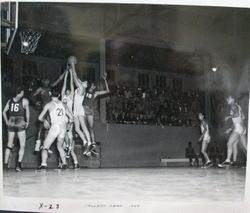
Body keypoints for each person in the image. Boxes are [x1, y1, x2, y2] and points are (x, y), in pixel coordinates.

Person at [38, 89, 73, 170]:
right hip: (63, 127)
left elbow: (40, 118)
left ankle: (43, 165)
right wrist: (69, 125)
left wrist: (45, 121)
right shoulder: (64, 104)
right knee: (60, 147)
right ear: (59, 95)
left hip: (55, 126)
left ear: (50, 94)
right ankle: (64, 164)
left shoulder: (49, 105)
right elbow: (71, 117)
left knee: (45, 147)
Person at [33, 72, 66, 153]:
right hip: (45, 108)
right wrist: (35, 102)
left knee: (50, 127)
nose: (47, 82)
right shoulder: (40, 89)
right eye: (46, 81)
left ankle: (46, 145)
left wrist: (65, 72)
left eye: (48, 81)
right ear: (43, 81)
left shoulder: (51, 88)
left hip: (52, 109)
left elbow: (59, 80)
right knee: (41, 125)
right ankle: (37, 143)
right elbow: (32, 95)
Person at [68, 56, 92, 155]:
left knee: (83, 127)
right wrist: (70, 72)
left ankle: (90, 143)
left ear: (86, 85)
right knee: (77, 129)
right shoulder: (80, 87)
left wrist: (73, 65)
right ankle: (85, 142)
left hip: (80, 110)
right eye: (85, 81)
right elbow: (76, 78)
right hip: (75, 110)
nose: (85, 82)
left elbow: (75, 77)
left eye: (86, 82)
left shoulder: (82, 88)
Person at [3, 87, 30, 171]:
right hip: (20, 120)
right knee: (22, 145)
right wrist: (27, 121)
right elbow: (27, 113)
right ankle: (18, 165)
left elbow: (3, 112)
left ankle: (5, 165)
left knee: (9, 145)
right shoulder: (25, 101)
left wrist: (7, 121)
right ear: (21, 92)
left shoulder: (10, 100)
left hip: (11, 120)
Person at [83, 72, 109, 155]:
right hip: (82, 110)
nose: (94, 87)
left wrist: (105, 80)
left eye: (95, 85)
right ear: (90, 85)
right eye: (93, 85)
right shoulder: (84, 90)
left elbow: (107, 91)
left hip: (89, 111)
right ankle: (88, 145)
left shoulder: (95, 93)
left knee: (90, 128)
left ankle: (92, 144)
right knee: (83, 129)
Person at [218, 95, 247, 167]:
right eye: (227, 99)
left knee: (229, 143)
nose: (227, 100)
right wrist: (231, 128)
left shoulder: (233, 106)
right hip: (241, 128)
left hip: (239, 128)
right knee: (241, 146)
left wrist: (229, 117)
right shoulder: (238, 106)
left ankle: (228, 161)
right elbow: (242, 117)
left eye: (229, 99)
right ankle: (234, 162)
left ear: (233, 99)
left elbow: (237, 116)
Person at [61, 68, 79, 169]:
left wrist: (71, 73)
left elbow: (71, 84)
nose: (68, 90)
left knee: (68, 133)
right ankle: (69, 162)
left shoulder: (71, 96)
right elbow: (64, 85)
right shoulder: (63, 95)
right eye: (66, 90)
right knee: (65, 136)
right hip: (63, 117)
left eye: (69, 90)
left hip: (70, 116)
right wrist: (66, 74)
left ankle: (74, 162)